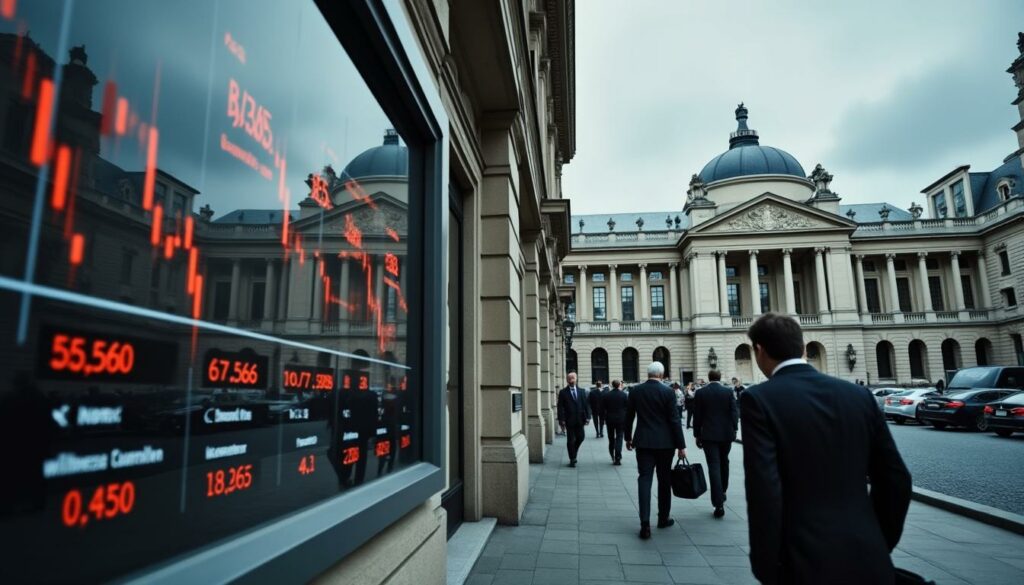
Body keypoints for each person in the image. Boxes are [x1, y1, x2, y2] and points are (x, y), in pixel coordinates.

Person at [741, 313, 911, 584]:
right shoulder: (859, 395)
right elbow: (896, 480)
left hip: (801, 561)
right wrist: (878, 540)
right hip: (868, 554)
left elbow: (764, 492)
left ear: (759, 351)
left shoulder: (759, 399)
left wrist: (765, 564)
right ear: (804, 348)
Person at [626, 362, 687, 539]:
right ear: (661, 375)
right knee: (664, 480)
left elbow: (629, 416)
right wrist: (681, 446)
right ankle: (663, 518)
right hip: (665, 444)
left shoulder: (636, 391)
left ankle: (645, 522)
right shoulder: (668, 392)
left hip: (643, 442)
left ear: (648, 374)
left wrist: (628, 438)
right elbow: (674, 420)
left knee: (644, 479)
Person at [692, 369, 739, 518]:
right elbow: (734, 412)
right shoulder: (728, 391)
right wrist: (735, 429)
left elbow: (697, 415)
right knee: (724, 461)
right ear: (719, 378)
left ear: (709, 378)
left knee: (714, 466)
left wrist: (697, 434)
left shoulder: (701, 393)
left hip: (709, 435)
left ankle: (718, 504)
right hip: (726, 434)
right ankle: (723, 491)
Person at [557, 372, 591, 467]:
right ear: (567, 380)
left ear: (576, 379)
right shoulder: (563, 392)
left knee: (581, 437)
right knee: (570, 440)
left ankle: (573, 451)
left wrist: (588, 417)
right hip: (569, 420)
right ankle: (572, 459)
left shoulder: (582, 391)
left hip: (580, 419)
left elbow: (586, 405)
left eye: (573, 378)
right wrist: (561, 419)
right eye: (570, 378)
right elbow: (560, 407)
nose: (571, 379)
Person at [603, 379, 628, 464]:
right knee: (619, 437)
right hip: (621, 419)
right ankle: (618, 456)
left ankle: (612, 455)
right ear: (619, 385)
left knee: (611, 438)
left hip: (610, 419)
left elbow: (604, 408)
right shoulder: (624, 395)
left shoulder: (607, 395)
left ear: (612, 385)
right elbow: (627, 408)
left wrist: (604, 419)